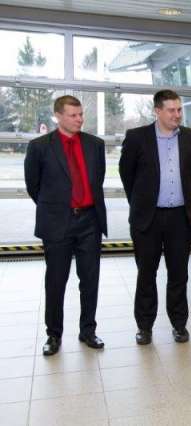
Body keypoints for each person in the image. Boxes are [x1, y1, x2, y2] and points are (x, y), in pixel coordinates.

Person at [24, 95, 108, 356]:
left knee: (90, 279)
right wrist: (57, 207)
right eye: (73, 115)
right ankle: (54, 334)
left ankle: (88, 330)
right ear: (58, 116)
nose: (79, 119)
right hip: (57, 222)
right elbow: (33, 186)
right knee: (56, 281)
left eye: (81, 114)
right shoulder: (39, 147)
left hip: (89, 221)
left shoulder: (95, 145)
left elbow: (97, 179)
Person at [119, 90, 191, 345]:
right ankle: (144, 327)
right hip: (148, 218)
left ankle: (179, 324)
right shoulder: (137, 137)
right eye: (171, 110)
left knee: (179, 274)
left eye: (179, 109)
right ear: (157, 111)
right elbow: (127, 174)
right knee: (146, 274)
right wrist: (141, 202)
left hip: (180, 217)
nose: (177, 114)